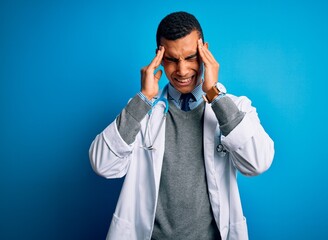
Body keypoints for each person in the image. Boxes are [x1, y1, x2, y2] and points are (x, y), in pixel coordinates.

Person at [89, 11, 274, 240]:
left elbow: (257, 163)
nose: (183, 70)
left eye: (190, 57)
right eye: (172, 59)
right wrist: (143, 99)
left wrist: (214, 95)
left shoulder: (234, 107)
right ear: (159, 56)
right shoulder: (141, 111)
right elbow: (103, 165)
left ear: (204, 51)